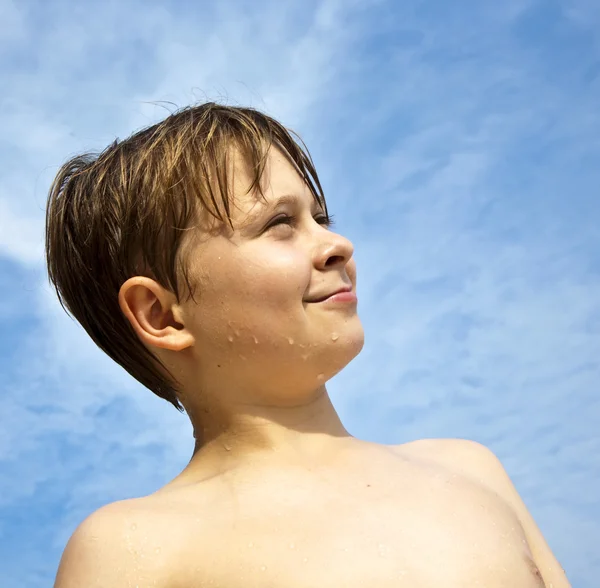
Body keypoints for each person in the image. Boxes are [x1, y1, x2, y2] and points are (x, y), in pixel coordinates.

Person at [47, 102, 570, 587]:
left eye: (320, 218)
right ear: (161, 314)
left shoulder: (469, 469)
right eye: (280, 224)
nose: (336, 244)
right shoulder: (129, 548)